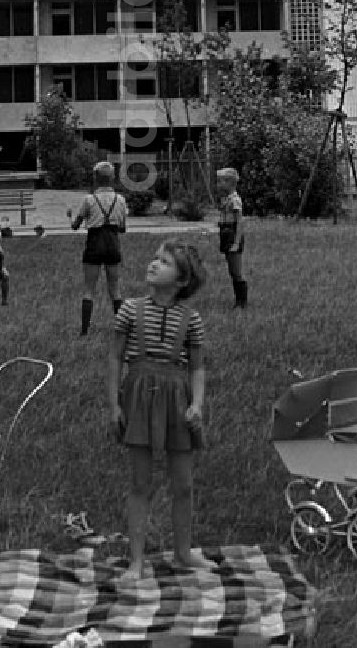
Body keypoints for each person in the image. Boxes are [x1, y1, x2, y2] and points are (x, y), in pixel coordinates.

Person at [109, 240, 207, 579]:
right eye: (155, 258)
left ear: (181, 281)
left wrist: (197, 403)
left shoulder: (191, 320)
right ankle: (136, 561)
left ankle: (183, 553)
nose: (153, 264)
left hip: (178, 403)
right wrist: (113, 405)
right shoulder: (129, 311)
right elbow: (115, 359)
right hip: (138, 399)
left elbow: (197, 368)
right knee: (140, 482)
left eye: (164, 262)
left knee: (184, 484)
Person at [69, 161, 128, 336]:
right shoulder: (120, 200)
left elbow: (75, 226)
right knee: (115, 288)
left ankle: (85, 330)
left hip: (94, 244)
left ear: (95, 178)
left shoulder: (89, 200)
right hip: (112, 244)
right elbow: (123, 228)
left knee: (89, 289)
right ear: (113, 178)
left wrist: (71, 216)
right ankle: (121, 329)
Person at [215, 167, 247, 309]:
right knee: (231, 270)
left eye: (220, 181)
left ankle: (241, 302)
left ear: (230, 183)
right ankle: (238, 299)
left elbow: (240, 222)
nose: (218, 184)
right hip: (226, 234)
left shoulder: (235, 200)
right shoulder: (225, 199)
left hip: (233, 236)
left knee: (236, 271)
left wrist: (236, 242)